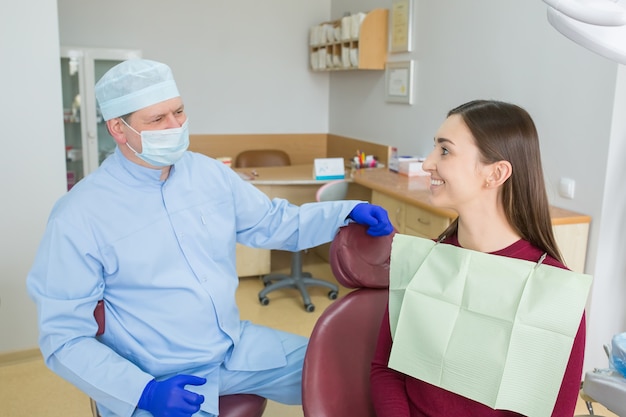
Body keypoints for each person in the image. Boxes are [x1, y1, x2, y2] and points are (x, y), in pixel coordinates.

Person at [26, 59, 393, 417]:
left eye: (179, 111)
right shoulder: (79, 216)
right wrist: (142, 391)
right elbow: (63, 338)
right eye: (157, 119)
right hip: (156, 374)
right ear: (118, 129)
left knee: (359, 373)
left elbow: (272, 221)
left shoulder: (207, 174)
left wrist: (343, 213)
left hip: (235, 348)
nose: (175, 125)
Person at [370, 100, 585, 417]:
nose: (428, 163)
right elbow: (385, 369)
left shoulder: (554, 293)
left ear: (496, 173)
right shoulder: (422, 262)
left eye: (444, 151)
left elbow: (555, 411)